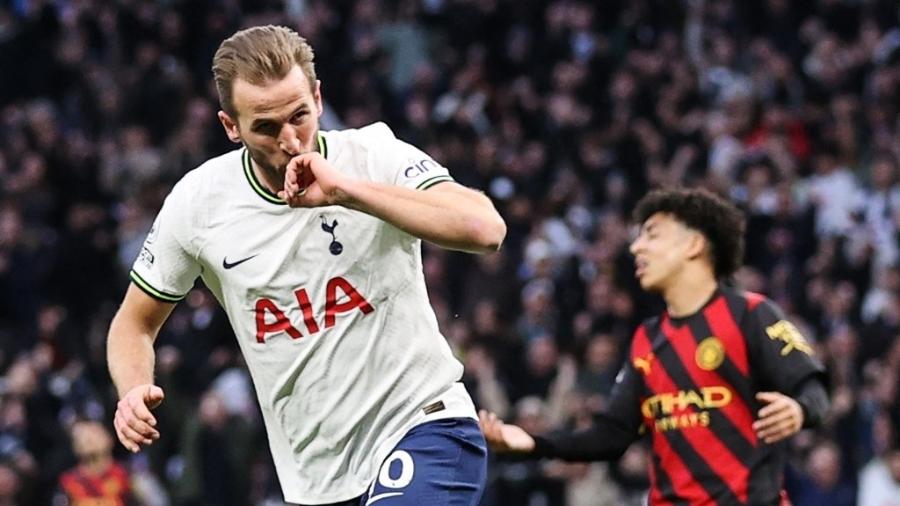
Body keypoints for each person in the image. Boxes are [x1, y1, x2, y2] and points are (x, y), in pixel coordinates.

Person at [107, 25, 506, 506]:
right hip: (314, 479)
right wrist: (132, 389)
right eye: (267, 127)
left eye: (299, 115)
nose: (291, 140)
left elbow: (485, 229)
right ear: (231, 127)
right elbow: (133, 324)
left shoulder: (373, 156)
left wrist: (346, 191)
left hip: (423, 423)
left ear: (318, 98)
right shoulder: (199, 204)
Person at [479, 188, 829, 505]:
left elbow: (812, 386)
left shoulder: (751, 315)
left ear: (694, 245)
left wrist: (799, 410)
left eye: (652, 235)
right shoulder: (648, 338)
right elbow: (613, 434)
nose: (636, 247)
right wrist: (535, 442)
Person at [57, 420, 133, 506]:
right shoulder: (67, 482)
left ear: (109, 439)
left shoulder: (127, 476)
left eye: (94, 433)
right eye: (83, 436)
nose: (89, 439)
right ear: (75, 447)